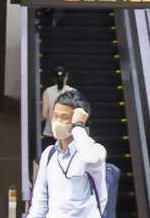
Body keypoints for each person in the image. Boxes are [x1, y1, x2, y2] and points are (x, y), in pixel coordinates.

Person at [29, 89, 107, 218]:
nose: (57, 121)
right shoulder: (49, 154)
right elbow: (40, 201)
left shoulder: (95, 150)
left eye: (64, 117)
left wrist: (78, 126)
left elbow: (89, 158)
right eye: (55, 116)